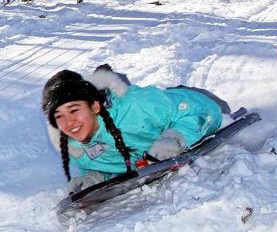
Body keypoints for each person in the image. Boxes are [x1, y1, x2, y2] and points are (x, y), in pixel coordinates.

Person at [42, 66, 226, 194]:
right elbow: (103, 159)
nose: (69, 122)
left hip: (195, 101)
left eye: (74, 110)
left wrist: (176, 138)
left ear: (95, 106)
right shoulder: (73, 146)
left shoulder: (137, 107)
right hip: (157, 109)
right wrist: (94, 177)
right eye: (59, 116)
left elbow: (206, 110)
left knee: (223, 108)